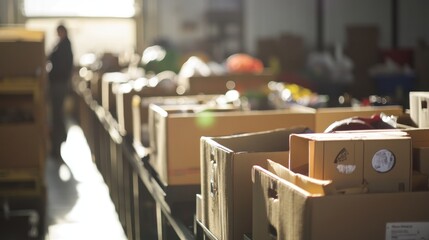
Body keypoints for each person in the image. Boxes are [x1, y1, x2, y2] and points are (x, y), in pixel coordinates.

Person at [48, 24, 73, 161]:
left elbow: (61, 65)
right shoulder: (61, 45)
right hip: (58, 84)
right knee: (56, 114)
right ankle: (58, 142)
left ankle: (59, 142)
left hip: (59, 84)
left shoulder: (65, 46)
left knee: (57, 115)